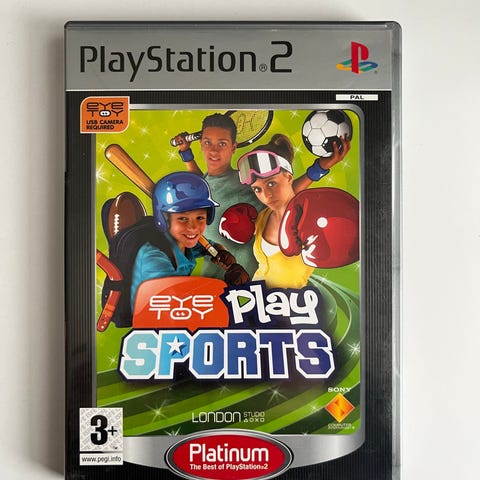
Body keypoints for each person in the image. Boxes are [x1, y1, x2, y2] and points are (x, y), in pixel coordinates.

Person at [174, 112, 350, 282]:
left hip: (249, 285)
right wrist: (186, 154)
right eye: (207, 142)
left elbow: (285, 192)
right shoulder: (201, 187)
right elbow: (205, 183)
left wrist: (319, 168)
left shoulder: (247, 179)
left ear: (233, 147)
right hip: (210, 282)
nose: (214, 150)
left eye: (222, 143)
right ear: (201, 144)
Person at [236, 133, 350, 289]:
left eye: (271, 184)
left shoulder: (308, 220)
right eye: (257, 189)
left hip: (292, 302)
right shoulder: (263, 216)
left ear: (289, 177)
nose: (266, 196)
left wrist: (320, 168)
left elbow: (292, 200)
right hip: (255, 298)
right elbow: (289, 195)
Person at [130, 171, 248, 307]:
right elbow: (174, 304)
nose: (193, 227)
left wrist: (223, 255)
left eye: (200, 217)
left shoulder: (185, 244)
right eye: (182, 218)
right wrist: (226, 288)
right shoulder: (155, 257)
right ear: (164, 219)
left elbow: (211, 247)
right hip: (155, 315)